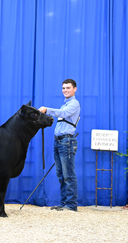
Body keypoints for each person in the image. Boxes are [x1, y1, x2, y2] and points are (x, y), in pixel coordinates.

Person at [39, 79, 80, 212]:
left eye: (68, 88)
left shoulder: (74, 104)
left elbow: (63, 114)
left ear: (75, 89)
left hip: (66, 142)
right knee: (61, 174)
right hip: (59, 141)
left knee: (68, 174)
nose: (65, 90)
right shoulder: (64, 104)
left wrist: (47, 110)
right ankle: (64, 203)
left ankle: (71, 205)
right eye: (63, 88)